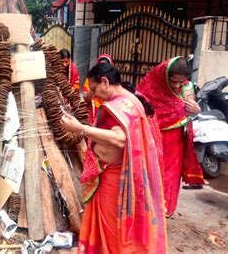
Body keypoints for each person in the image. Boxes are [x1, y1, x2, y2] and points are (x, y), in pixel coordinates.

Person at [62, 63, 167, 253]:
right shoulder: (130, 100)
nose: (94, 96)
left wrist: (81, 129)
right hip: (115, 174)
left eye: (94, 90)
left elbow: (120, 140)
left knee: (112, 225)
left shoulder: (121, 106)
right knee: (112, 224)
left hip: (116, 178)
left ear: (104, 82)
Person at [137, 56, 205, 218]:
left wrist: (197, 111)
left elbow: (187, 112)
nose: (176, 85)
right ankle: (149, 210)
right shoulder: (150, 86)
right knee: (152, 173)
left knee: (172, 176)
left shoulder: (186, 88)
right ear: (164, 75)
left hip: (177, 142)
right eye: (173, 81)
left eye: (180, 82)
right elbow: (140, 112)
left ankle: (166, 209)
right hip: (153, 139)